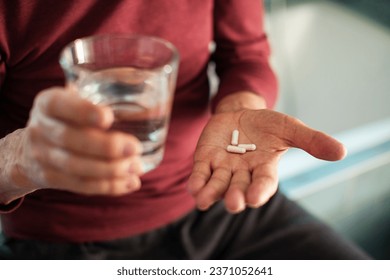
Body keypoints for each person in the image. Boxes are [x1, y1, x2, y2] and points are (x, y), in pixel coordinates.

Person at [0, 0, 369, 259]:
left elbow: (245, 53)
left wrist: (240, 109)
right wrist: (21, 159)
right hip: (63, 242)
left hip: (216, 195)